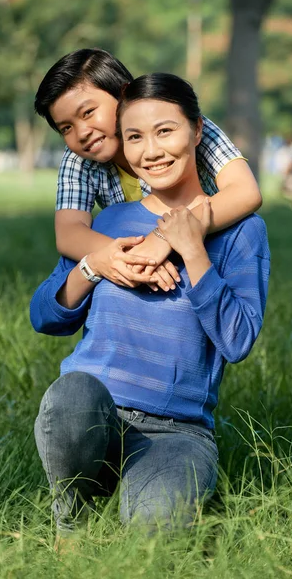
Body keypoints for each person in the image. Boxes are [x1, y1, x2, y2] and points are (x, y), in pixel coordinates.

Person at [30, 72, 270, 539]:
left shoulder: (244, 231)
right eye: (136, 137)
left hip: (176, 430)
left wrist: (193, 249)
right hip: (97, 411)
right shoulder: (112, 220)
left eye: (166, 132)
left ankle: (143, 487)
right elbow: (44, 314)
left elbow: (238, 340)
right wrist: (95, 264)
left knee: (155, 530)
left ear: (198, 131)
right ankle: (71, 521)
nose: (151, 150)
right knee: (73, 393)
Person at [34, 48, 262, 291]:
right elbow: (69, 232)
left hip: (209, 248)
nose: (82, 132)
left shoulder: (180, 126)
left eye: (88, 112)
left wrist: (165, 238)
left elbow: (245, 192)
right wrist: (137, 258)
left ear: (123, 93)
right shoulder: (79, 160)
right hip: (142, 263)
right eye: (66, 128)